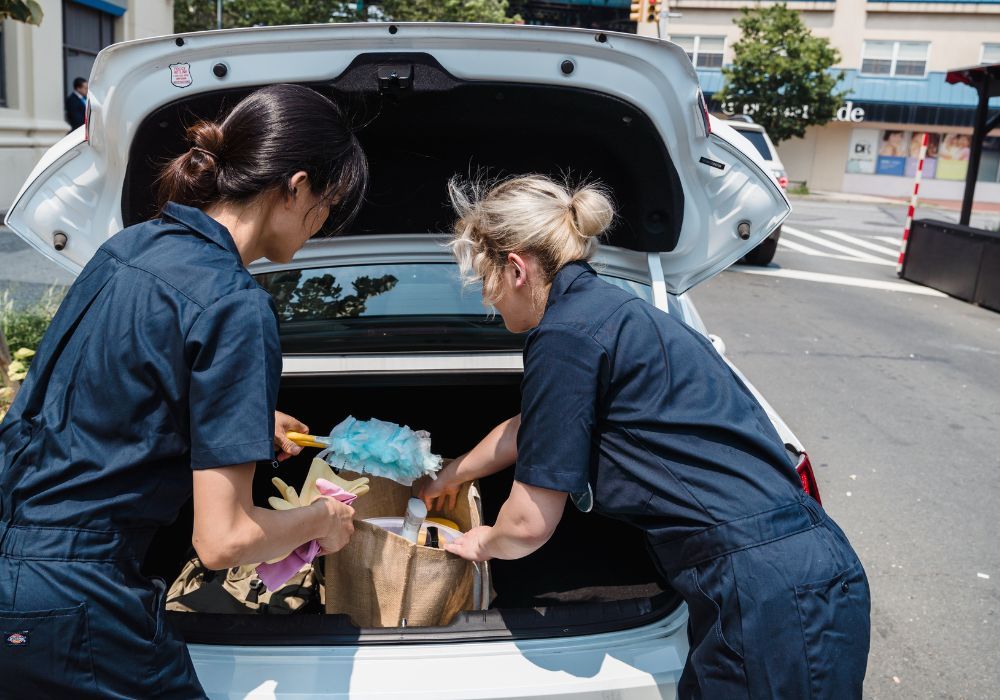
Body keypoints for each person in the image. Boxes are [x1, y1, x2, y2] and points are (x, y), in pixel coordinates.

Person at [421, 175, 871, 699]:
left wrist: (480, 542)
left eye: (485, 282)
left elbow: (526, 527)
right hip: (800, 570)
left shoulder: (563, 336)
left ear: (517, 269)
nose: (488, 302)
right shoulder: (615, 312)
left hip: (762, 591)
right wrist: (450, 474)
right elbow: (534, 427)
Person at [0, 84, 367, 698]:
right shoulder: (236, 304)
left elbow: (101, 388)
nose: (322, 223)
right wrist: (322, 521)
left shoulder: (130, 247)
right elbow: (223, 542)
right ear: (296, 186)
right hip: (76, 593)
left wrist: (244, 420)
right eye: (327, 204)